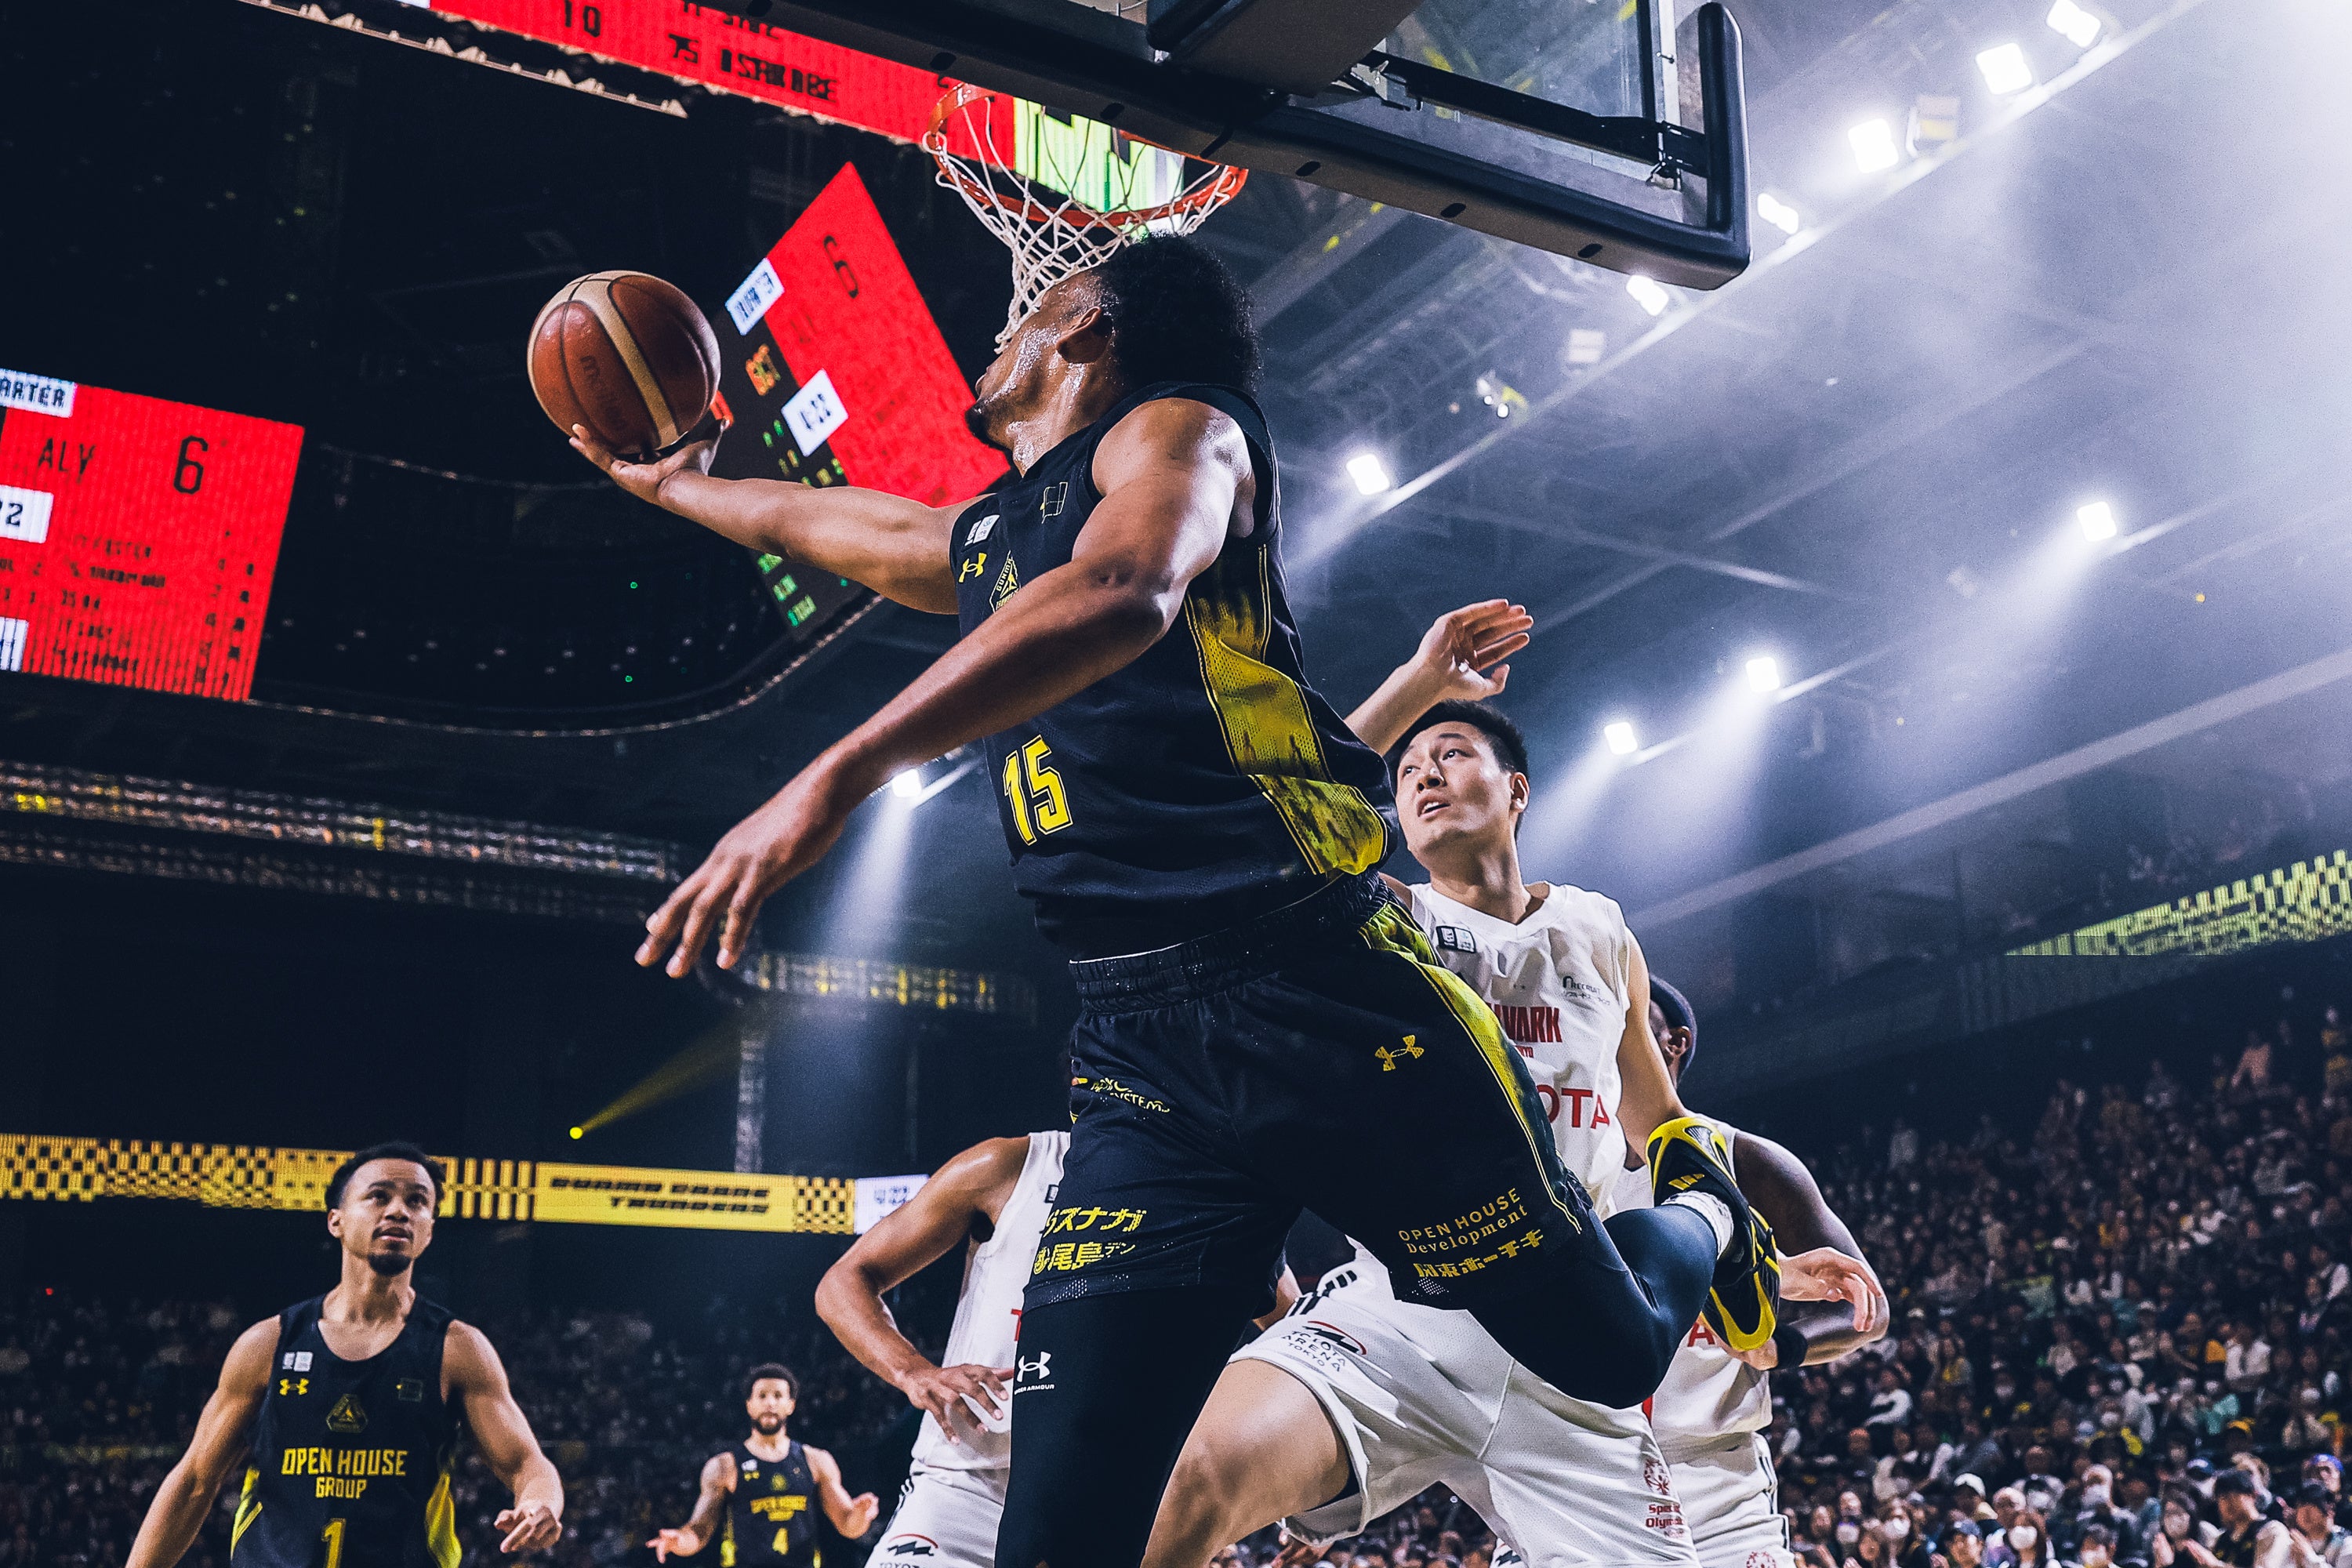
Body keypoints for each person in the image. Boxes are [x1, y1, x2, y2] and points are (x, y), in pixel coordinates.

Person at [575, 237, 1787, 1566]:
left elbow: (1127, 590)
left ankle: (1702, 1208)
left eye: (1024, 312)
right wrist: (681, 485)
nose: (998, 334)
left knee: (1609, 1352)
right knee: (1063, 1539)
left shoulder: (1186, 429)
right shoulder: (1001, 534)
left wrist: (838, 773)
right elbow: (838, 528)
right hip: (1137, 1048)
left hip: (1318, 986)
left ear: (1085, 325)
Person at [1138, 640, 1880, 1568]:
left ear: (1516, 789)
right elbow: (1271, 832)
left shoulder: (1600, 930)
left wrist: (1755, 1261)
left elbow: (1662, 1130)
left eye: (1450, 753)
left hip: (1568, 1341)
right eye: (1407, 768)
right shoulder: (1387, 917)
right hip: (1404, 1308)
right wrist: (1415, 683)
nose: (1423, 774)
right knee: (1185, 1480)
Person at [124, 1142, 564, 1566]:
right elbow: (194, 1482)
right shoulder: (268, 1344)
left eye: (417, 1201)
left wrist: (540, 1503)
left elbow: (526, 1463)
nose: (398, 1211)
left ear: (429, 1230)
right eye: (378, 1196)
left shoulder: (457, 1349)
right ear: (336, 1220)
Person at [813, 1132, 1069, 1568]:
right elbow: (843, 1281)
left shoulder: (1186, 1184)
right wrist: (912, 1370)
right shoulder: (1016, 1165)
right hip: (968, 1483)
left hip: (1116, 1494)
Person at [646, 1364, 879, 1565]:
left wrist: (861, 1514)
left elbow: (848, 1526)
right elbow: (700, 1530)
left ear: (791, 1405)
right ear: (749, 1405)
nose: (770, 1403)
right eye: (762, 1396)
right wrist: (679, 1541)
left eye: (778, 1396)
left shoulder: (816, 1460)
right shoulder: (724, 1466)